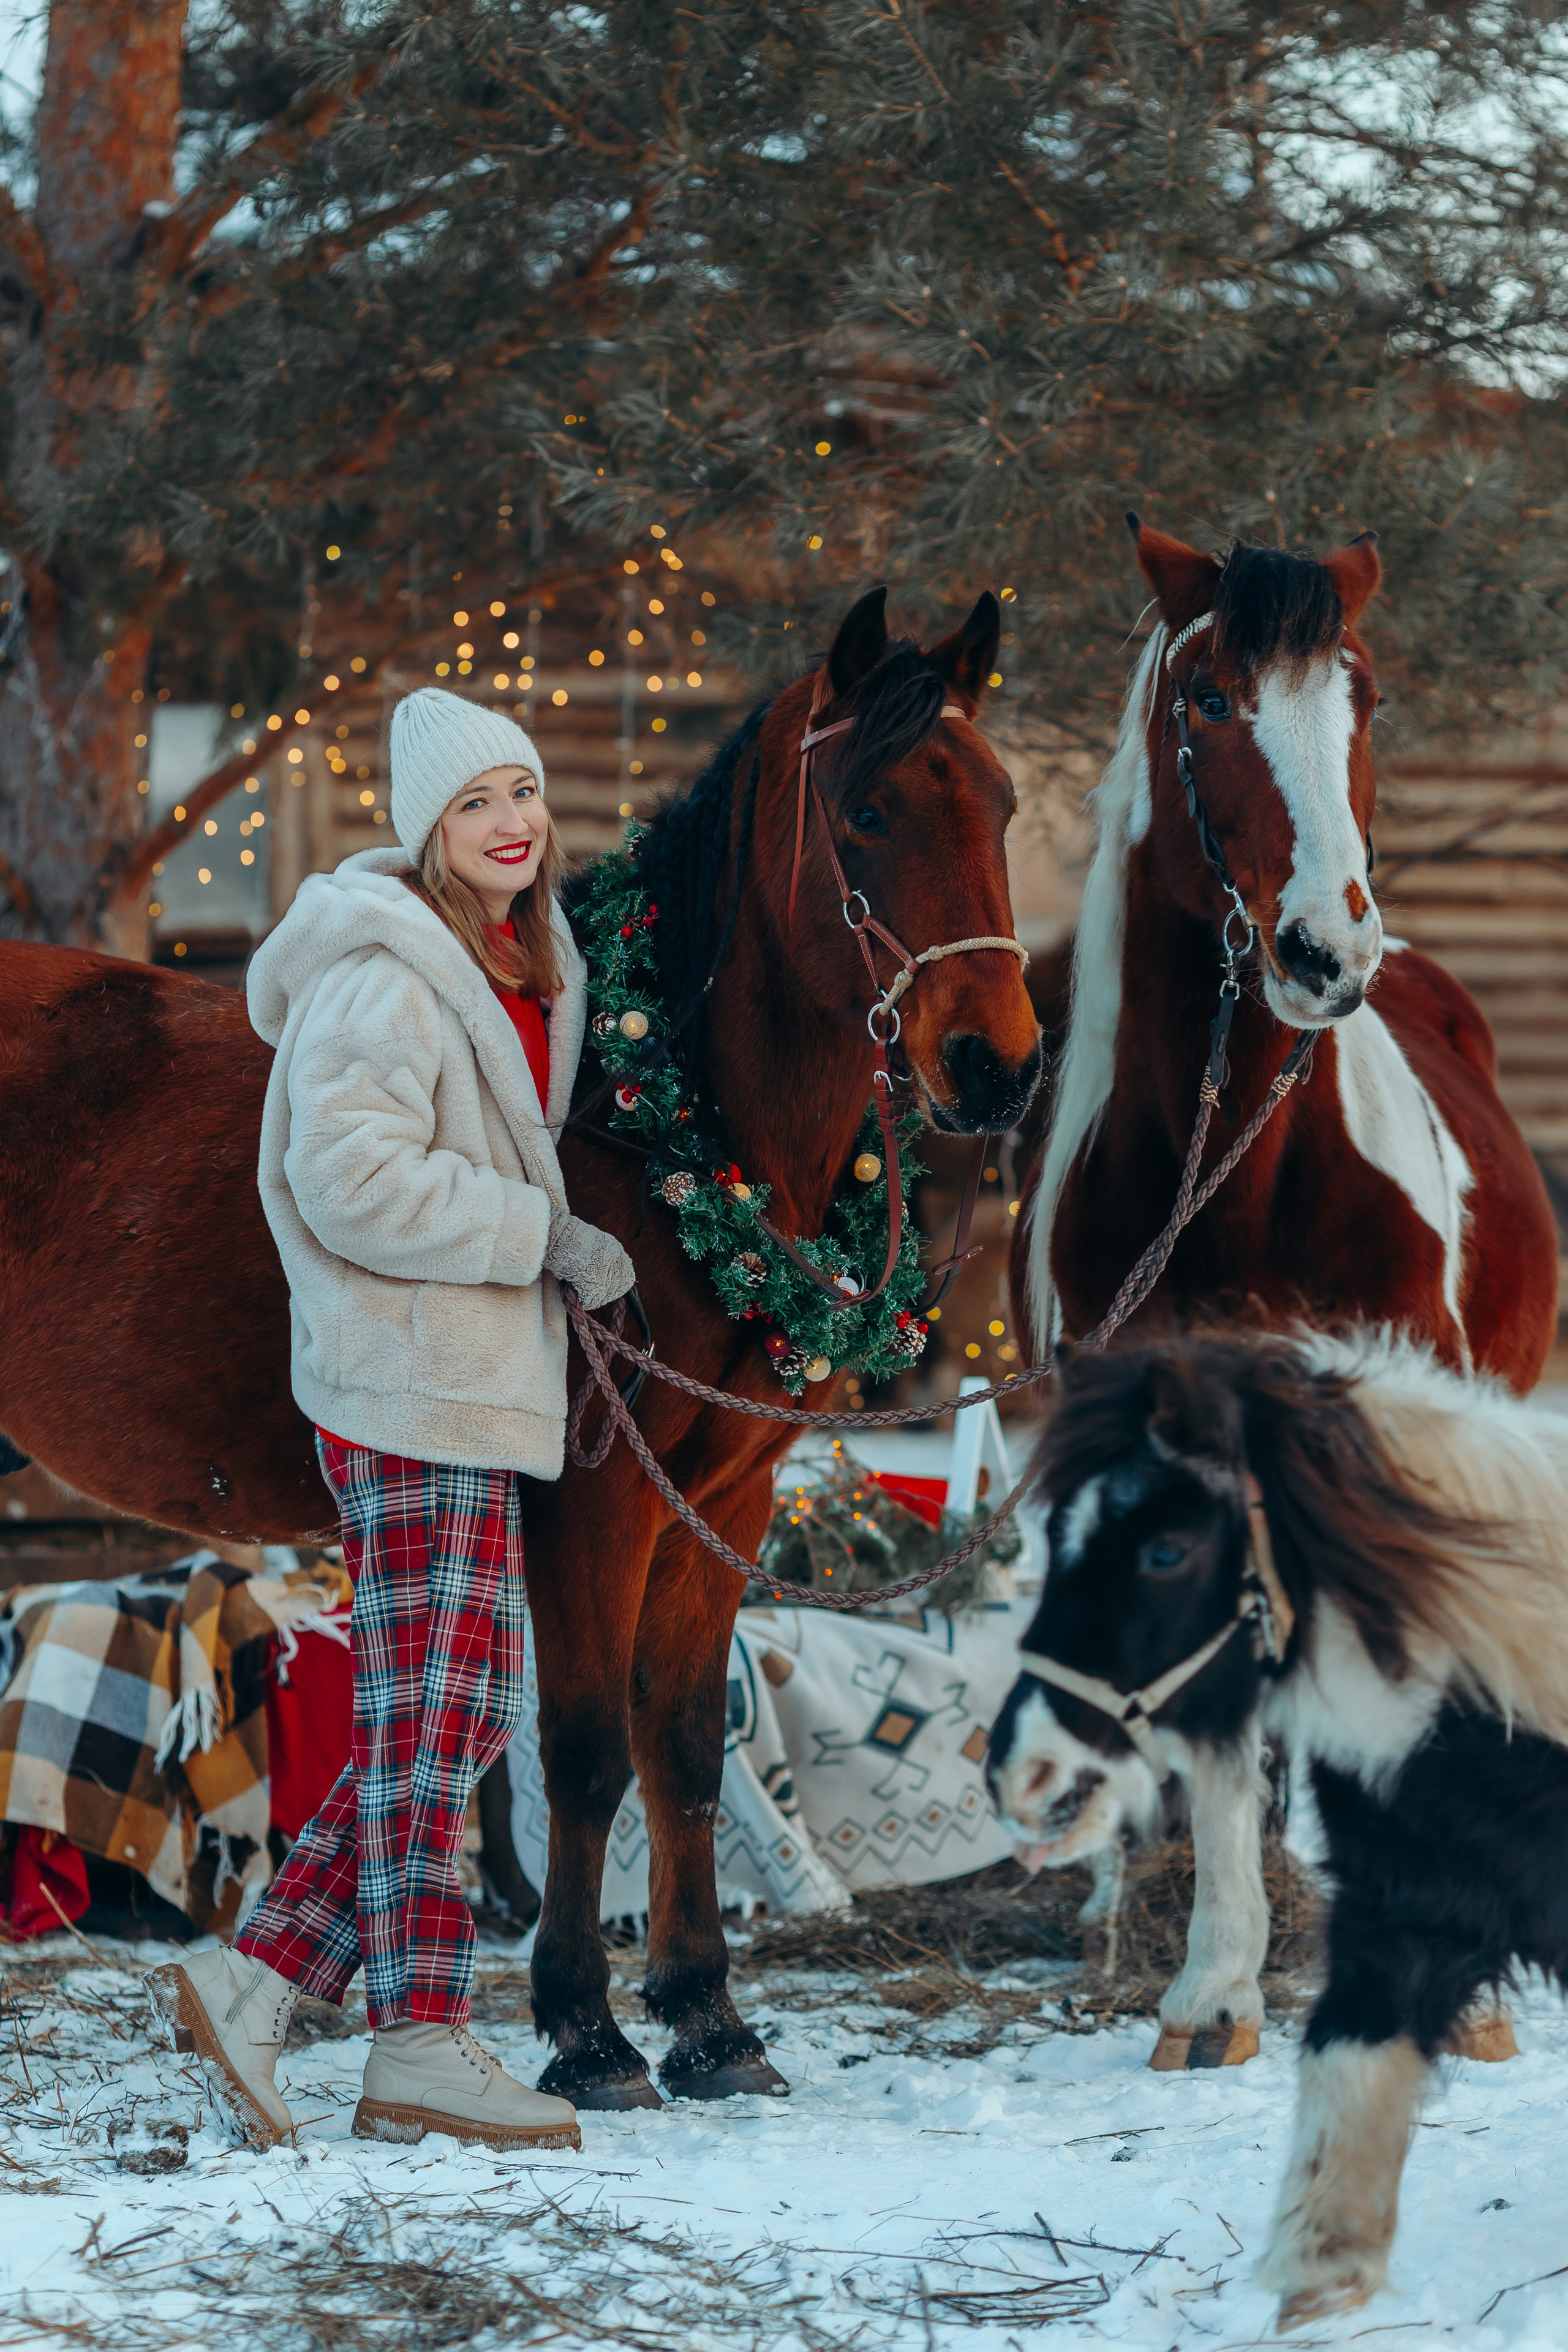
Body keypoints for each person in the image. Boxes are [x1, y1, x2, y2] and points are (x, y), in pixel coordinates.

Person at [147, 689, 633, 2153]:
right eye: (477, 801)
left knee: (462, 1710)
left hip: (473, 1378)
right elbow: (347, 1175)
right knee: (428, 1714)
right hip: (407, 1371)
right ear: (427, 829)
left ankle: (261, 1975)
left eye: (524, 794)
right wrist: (532, 1233)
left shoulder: (524, 960)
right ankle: (419, 2036)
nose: (512, 822)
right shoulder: (388, 973)